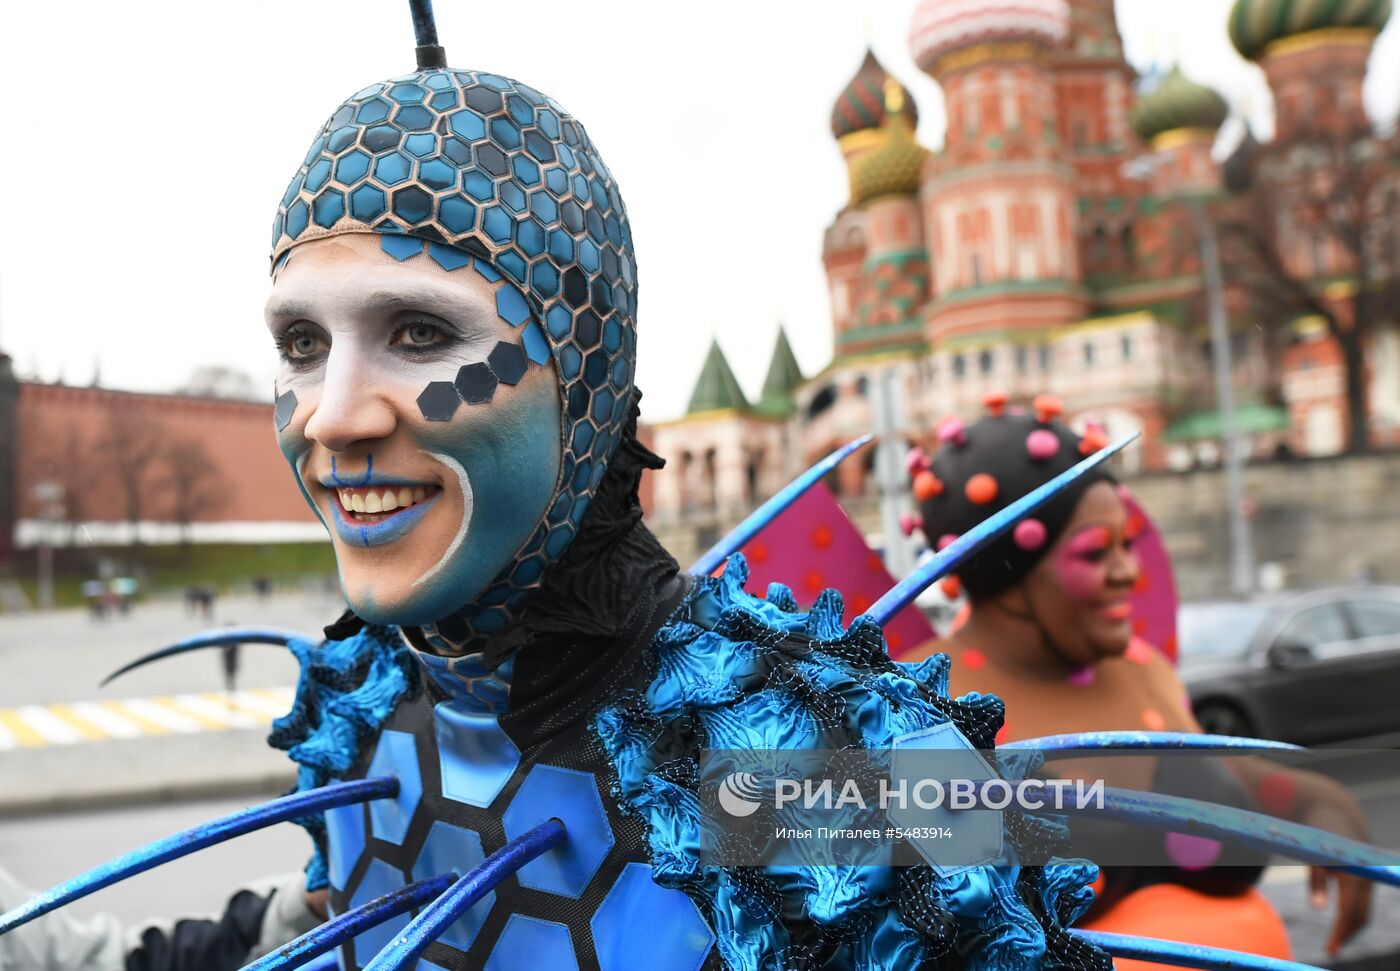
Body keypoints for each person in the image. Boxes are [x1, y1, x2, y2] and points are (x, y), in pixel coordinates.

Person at [904, 391, 1373, 962]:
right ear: (1011, 574)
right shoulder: (918, 709)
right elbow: (947, 926)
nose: (1129, 572)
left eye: (1127, 545)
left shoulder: (1141, 668)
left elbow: (1230, 776)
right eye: (1096, 553)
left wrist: (1319, 806)